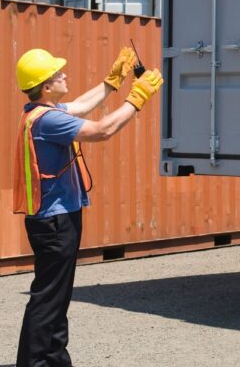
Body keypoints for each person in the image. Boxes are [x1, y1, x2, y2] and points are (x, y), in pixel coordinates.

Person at [13, 47, 163, 367]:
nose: (64, 74)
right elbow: (101, 130)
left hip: (56, 218)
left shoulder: (43, 112)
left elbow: (81, 105)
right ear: (45, 86)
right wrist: (137, 97)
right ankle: (36, 362)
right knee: (49, 298)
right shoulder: (49, 120)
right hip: (54, 223)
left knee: (56, 295)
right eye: (58, 74)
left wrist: (113, 81)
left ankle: (53, 359)